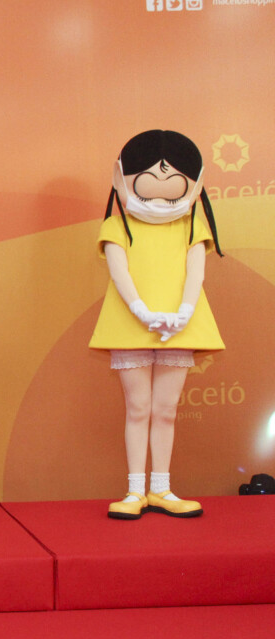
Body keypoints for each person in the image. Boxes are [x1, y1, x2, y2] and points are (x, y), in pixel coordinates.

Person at [89, 129, 224, 520]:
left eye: (172, 191)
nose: (160, 201)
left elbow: (196, 272)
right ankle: (135, 491)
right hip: (131, 325)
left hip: (179, 326)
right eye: (148, 192)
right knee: (138, 408)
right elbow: (119, 272)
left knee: (165, 410)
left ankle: (161, 489)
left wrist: (184, 312)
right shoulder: (117, 225)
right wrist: (141, 311)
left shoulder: (192, 225)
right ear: (122, 179)